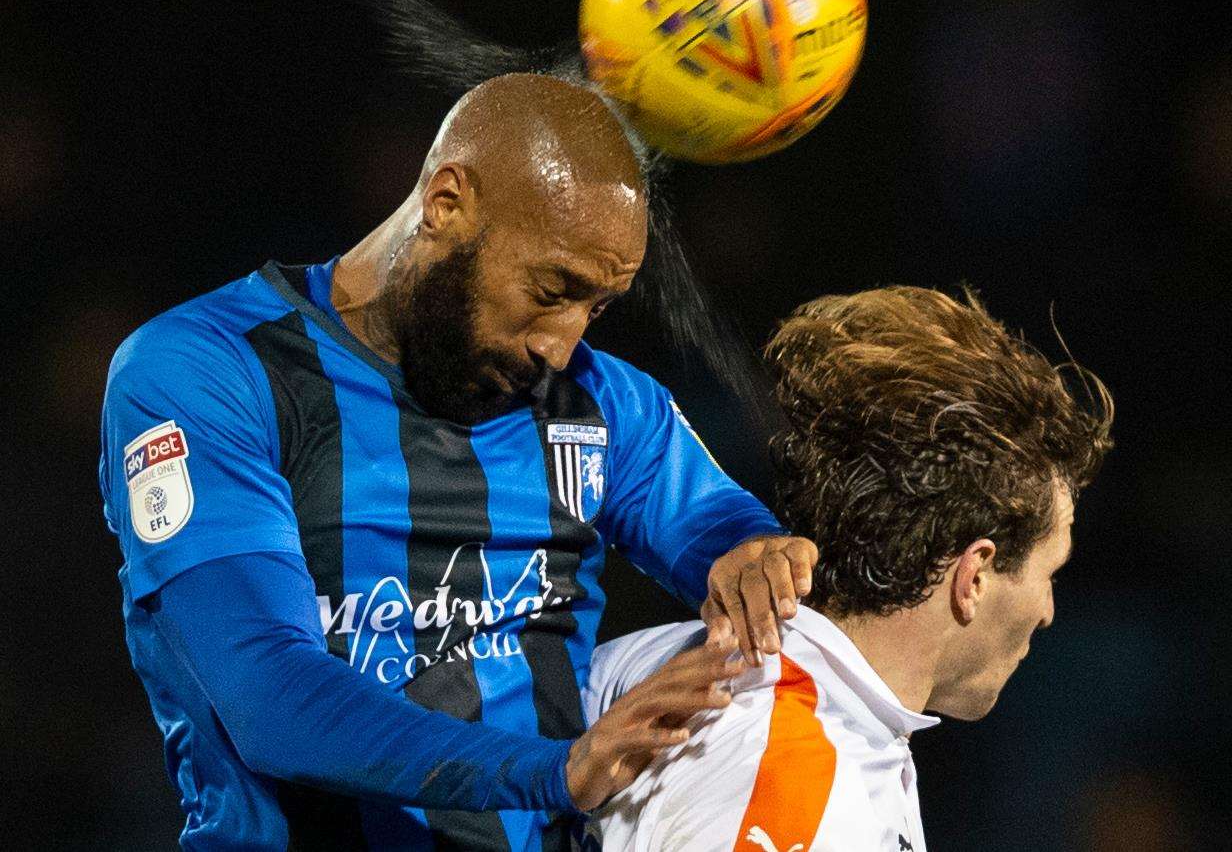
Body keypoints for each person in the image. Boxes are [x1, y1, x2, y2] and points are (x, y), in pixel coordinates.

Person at [98, 72, 818, 851]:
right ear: (446, 202)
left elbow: (721, 530)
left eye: (597, 306)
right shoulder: (204, 374)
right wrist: (556, 769)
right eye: (552, 289)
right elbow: (266, 692)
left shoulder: (602, 407)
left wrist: (758, 555)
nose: (562, 342)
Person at [582, 286, 1113, 852]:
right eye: (1049, 573)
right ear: (975, 576)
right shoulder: (798, 781)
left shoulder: (782, 702)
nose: (1049, 611)